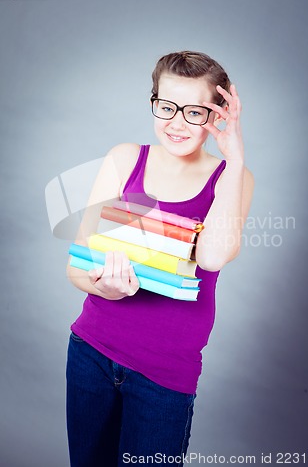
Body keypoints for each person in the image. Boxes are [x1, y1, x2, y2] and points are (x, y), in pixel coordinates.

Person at [66, 50, 255, 466]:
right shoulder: (123, 158)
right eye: (167, 106)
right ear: (154, 101)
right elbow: (77, 264)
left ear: (216, 114)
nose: (177, 122)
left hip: (164, 374)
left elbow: (213, 256)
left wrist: (236, 158)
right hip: (91, 354)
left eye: (195, 111)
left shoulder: (231, 177)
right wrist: (107, 290)